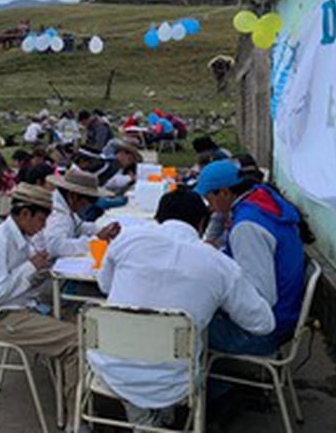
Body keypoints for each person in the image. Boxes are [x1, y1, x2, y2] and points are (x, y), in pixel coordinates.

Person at [92, 188, 274, 426]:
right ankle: (157, 412)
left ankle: (143, 413)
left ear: (158, 218)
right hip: (175, 382)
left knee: (144, 339)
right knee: (190, 337)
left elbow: (105, 286)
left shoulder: (127, 240)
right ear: (201, 224)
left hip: (111, 368)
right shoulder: (219, 264)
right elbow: (263, 323)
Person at [0, 183, 79, 426]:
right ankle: (76, 421)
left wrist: (39, 269)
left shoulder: (21, 235)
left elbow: (21, 280)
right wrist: (30, 267)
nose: (43, 226)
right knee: (76, 341)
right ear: (24, 214)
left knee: (83, 321)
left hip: (20, 306)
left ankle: (74, 397)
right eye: (41, 220)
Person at [195, 159, 304, 354]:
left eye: (209, 198)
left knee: (190, 327)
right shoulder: (260, 199)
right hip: (286, 313)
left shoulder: (246, 228)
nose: (209, 207)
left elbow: (261, 297)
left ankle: (217, 383)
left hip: (267, 330)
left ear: (225, 192)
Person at [43, 168, 121, 258]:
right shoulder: (57, 215)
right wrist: (96, 240)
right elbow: (56, 247)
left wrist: (101, 230)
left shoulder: (66, 208)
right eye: (84, 203)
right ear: (73, 196)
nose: (85, 207)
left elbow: (78, 226)